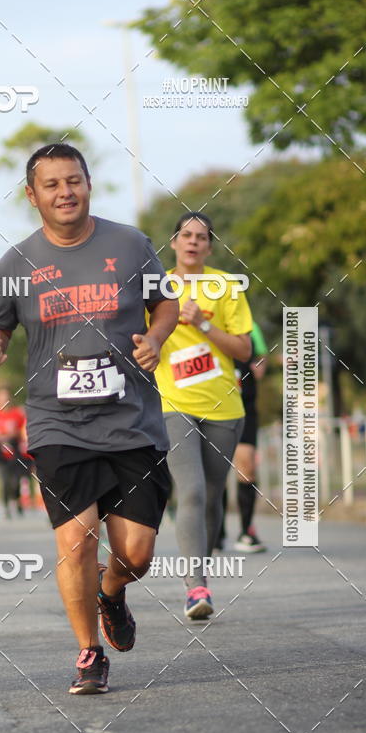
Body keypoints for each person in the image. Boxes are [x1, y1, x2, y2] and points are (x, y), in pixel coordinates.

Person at [0, 143, 178, 695]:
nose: (65, 192)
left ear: (89, 185)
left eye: (74, 181)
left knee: (135, 553)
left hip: (131, 420)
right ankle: (89, 652)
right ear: (32, 195)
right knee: (77, 540)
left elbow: (165, 303)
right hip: (57, 423)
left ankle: (112, 593)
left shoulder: (130, 244)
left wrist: (156, 338)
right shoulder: (17, 263)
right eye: (52, 185)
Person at [153, 212, 252, 619]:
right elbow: (136, 337)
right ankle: (195, 588)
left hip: (224, 405)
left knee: (212, 497)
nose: (193, 242)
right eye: (186, 235)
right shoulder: (155, 287)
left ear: (210, 246)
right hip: (173, 402)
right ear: (174, 242)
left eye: (202, 237)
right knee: (190, 490)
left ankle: (202, 575)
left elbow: (245, 351)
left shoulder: (226, 285)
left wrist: (203, 326)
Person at [218, 323, 268, 552]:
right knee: (215, 471)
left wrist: (258, 365)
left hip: (244, 406)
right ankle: (216, 532)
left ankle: (246, 531)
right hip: (214, 407)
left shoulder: (249, 324)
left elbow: (260, 360)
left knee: (246, 465)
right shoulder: (203, 317)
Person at [0, 387, 26, 518]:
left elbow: (23, 431)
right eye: (1, 398)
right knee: (5, 481)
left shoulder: (17, 414)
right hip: (0, 453)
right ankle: (6, 507)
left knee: (16, 480)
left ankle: (17, 500)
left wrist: (13, 434)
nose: (3, 401)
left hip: (15, 452)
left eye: (6, 398)